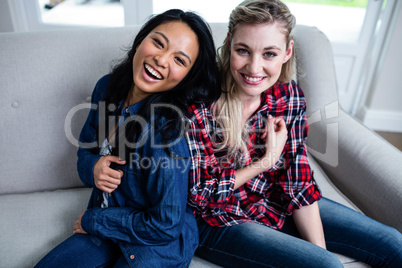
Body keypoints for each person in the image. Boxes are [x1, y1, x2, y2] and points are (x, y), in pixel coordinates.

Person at [185, 0, 402, 267]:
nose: (254, 68)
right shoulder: (200, 101)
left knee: (394, 243)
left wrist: (319, 252)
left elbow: (298, 181)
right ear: (229, 43)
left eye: (269, 54)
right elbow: (200, 196)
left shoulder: (287, 98)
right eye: (244, 50)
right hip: (216, 218)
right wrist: (265, 161)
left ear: (287, 52)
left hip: (273, 200)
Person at [35, 9, 220, 268]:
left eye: (179, 60)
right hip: (107, 230)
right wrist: (93, 167)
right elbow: (85, 153)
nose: (161, 60)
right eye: (158, 42)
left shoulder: (166, 135)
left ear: (187, 77)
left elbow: (165, 225)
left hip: (155, 244)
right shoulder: (106, 88)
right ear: (141, 39)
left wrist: (94, 220)